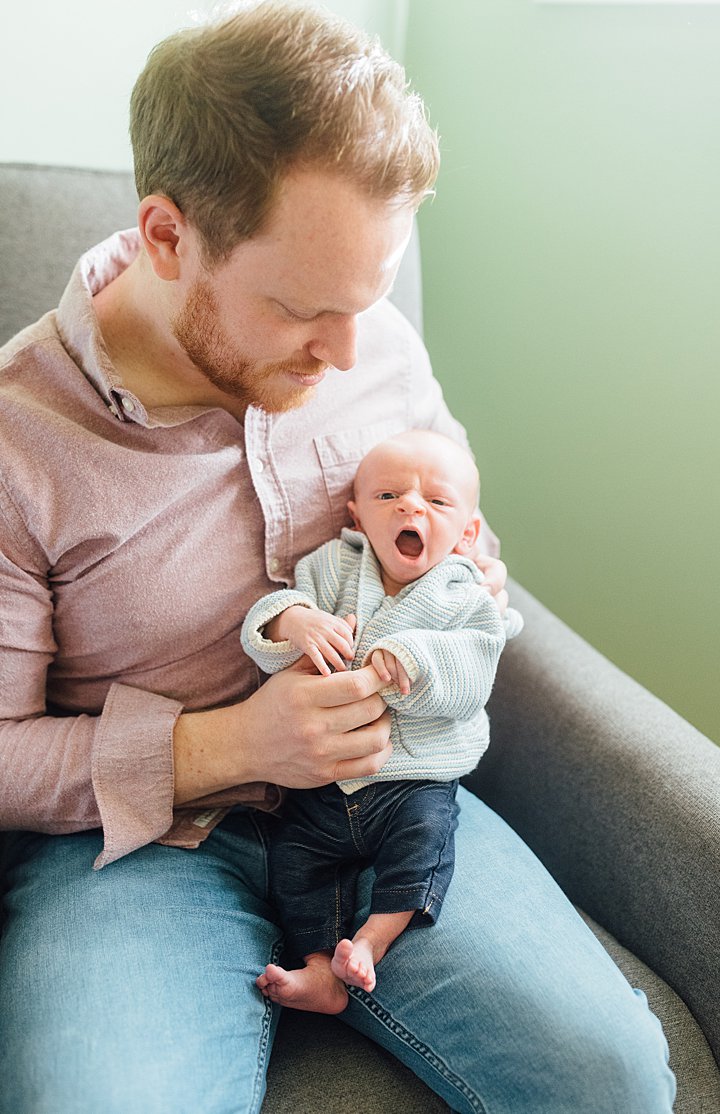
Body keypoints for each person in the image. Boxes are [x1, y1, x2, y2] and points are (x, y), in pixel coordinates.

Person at [0, 5, 674, 1111]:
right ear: (168, 236)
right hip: (141, 851)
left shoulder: (368, 340)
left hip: (395, 791)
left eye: (368, 299)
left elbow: (462, 523)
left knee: (610, 1081)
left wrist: (464, 575)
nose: (351, 352)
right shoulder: (24, 441)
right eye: (306, 308)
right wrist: (229, 743)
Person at [243, 429, 524, 1015]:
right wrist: (294, 622)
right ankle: (321, 970)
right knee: (293, 864)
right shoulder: (330, 567)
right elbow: (264, 624)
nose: (411, 506)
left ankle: (371, 941)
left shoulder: (464, 595)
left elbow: (474, 671)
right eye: (389, 495)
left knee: (425, 846)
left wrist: (416, 659)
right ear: (356, 517)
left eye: (437, 501)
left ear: (468, 533)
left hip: (412, 782)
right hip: (321, 783)